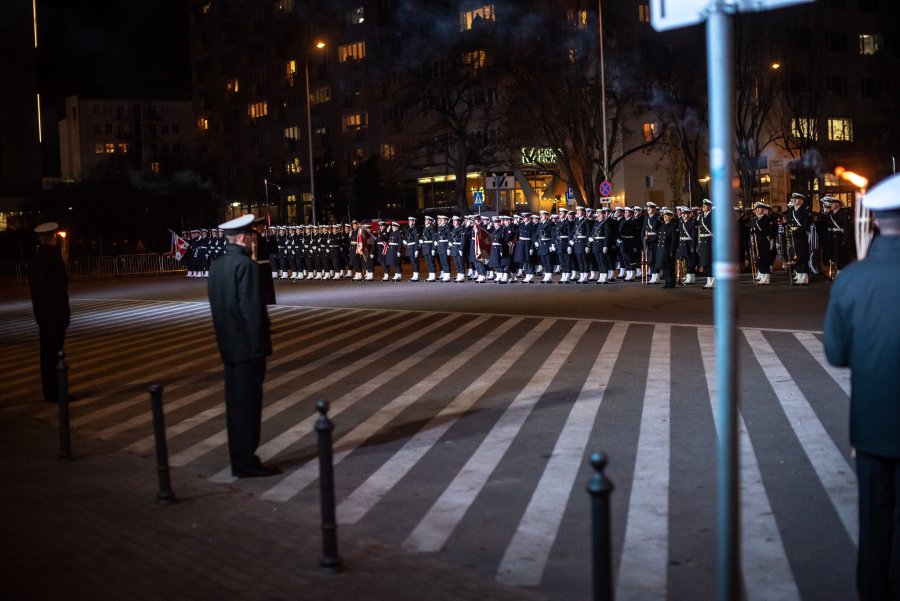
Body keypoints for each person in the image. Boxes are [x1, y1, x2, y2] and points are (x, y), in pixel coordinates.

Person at [824, 173, 900, 601]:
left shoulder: (851, 279)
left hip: (871, 427)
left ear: (873, 223)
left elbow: (836, 355)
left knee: (875, 522)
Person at [207, 214, 280, 479]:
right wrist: (261, 348)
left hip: (228, 347)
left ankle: (239, 458)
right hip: (248, 350)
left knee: (235, 407)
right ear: (241, 237)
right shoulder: (246, 267)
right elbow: (253, 313)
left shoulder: (217, 267)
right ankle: (247, 462)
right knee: (249, 408)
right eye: (250, 237)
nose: (253, 241)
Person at [27, 222, 71, 403]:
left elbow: (35, 291)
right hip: (55, 315)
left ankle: (49, 391)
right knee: (56, 354)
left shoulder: (34, 259)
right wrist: (65, 314)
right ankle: (57, 393)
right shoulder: (53, 258)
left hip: (42, 315)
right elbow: (60, 289)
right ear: (52, 237)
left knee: (45, 354)